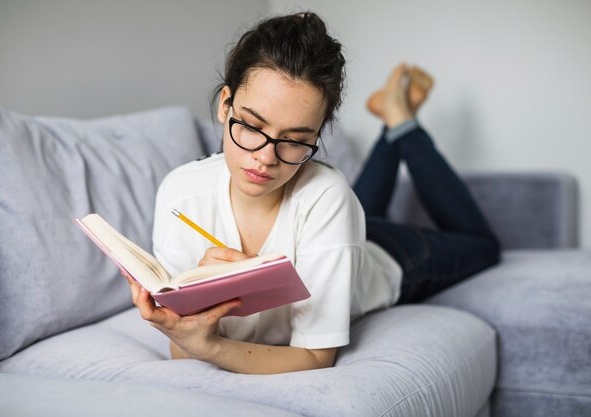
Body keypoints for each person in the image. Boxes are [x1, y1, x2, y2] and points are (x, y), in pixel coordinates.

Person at [124, 12, 500, 375]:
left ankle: (401, 122)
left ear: (317, 136)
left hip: (382, 256)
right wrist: (186, 323)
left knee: (483, 246)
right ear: (226, 105)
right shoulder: (180, 193)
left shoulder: (329, 198)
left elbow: (315, 357)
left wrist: (211, 346)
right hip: (332, 230)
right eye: (252, 127)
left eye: (295, 140)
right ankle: (392, 117)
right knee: (345, 207)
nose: (266, 158)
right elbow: (181, 348)